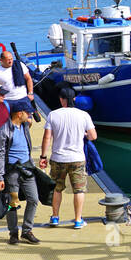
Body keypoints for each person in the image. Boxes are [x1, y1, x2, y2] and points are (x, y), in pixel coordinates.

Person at [41, 86, 96, 229]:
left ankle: (55, 217)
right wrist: (83, 134)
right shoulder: (83, 115)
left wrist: (43, 156)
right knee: (79, 190)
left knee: (57, 189)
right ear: (75, 99)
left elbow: (47, 137)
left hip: (58, 158)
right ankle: (78, 220)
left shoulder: (53, 115)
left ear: (61, 99)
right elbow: (93, 136)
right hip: (77, 158)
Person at [0, 101, 43, 245]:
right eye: (27, 113)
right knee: (12, 203)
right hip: (12, 172)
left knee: (33, 199)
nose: (29, 115)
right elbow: (0, 155)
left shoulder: (25, 126)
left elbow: (34, 120)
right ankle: (13, 233)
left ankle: (27, 230)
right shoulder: (3, 131)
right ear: (19, 114)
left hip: (27, 169)